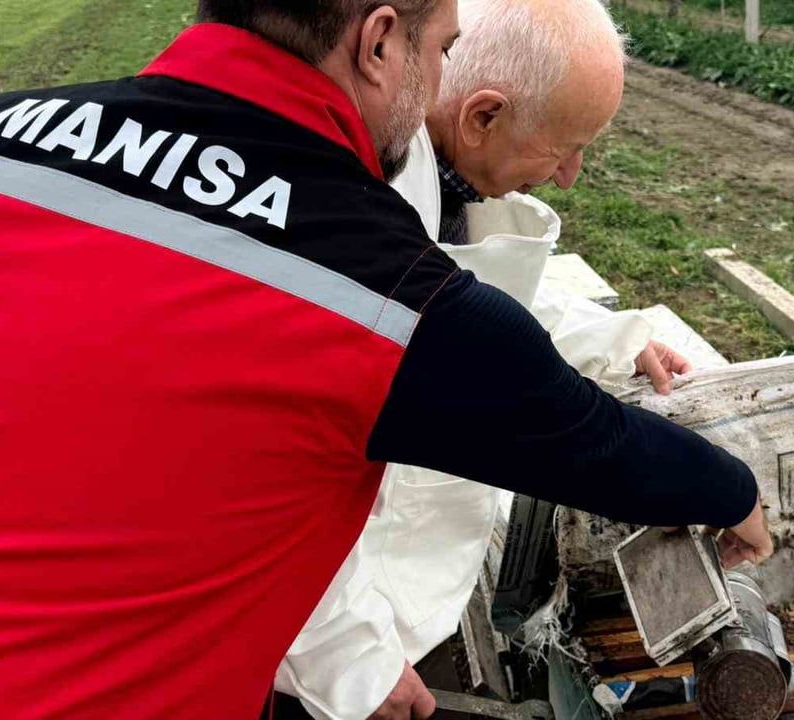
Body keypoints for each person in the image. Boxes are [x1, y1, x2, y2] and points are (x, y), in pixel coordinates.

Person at [0, 1, 774, 719]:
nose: (441, 84)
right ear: (382, 43)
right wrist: (733, 492)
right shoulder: (382, 292)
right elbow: (593, 442)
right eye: (442, 49)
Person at [276, 2, 698, 717]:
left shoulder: (446, 177)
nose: (570, 175)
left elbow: (485, 300)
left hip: (391, 587)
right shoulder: (346, 224)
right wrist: (346, 657)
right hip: (309, 624)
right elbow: (273, 469)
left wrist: (618, 342)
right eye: (564, 147)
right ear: (482, 117)